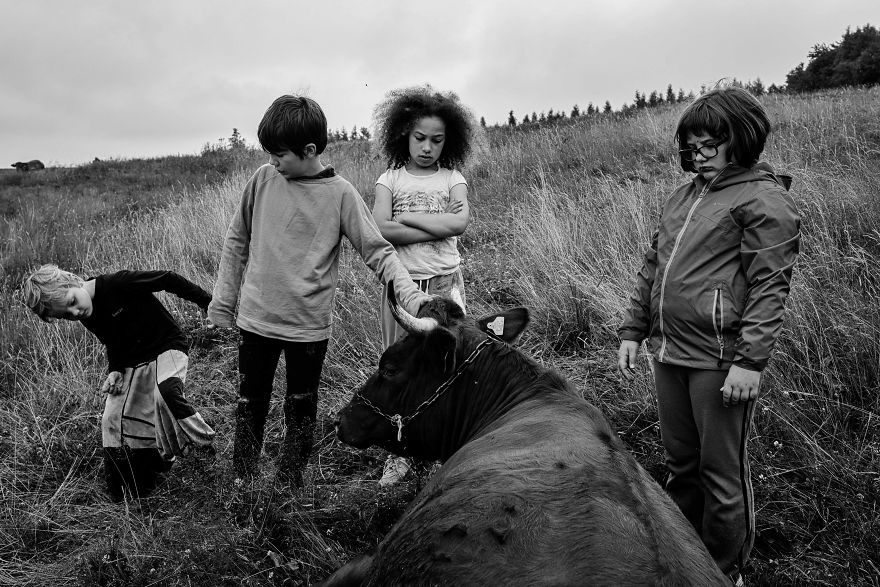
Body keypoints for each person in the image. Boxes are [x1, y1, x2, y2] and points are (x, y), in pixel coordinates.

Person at [617, 85, 800, 585]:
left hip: (720, 361)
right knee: (681, 465)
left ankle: (723, 572)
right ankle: (683, 560)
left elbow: (769, 287)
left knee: (722, 475)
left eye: (709, 146)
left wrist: (749, 362)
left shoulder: (764, 200)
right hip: (670, 353)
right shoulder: (683, 196)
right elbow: (652, 266)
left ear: (741, 139)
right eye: (690, 148)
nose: (698, 157)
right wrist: (634, 330)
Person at [208, 95, 431, 488]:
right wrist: (222, 304)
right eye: (270, 154)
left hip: (307, 330)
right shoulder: (262, 180)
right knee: (250, 405)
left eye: (280, 155)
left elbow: (378, 252)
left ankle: (289, 485)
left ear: (309, 150)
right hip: (256, 321)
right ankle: (242, 482)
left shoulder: (341, 194)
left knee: (300, 408)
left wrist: (412, 297)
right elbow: (236, 240)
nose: (274, 162)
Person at [22, 265, 216, 501]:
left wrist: (209, 303)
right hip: (132, 363)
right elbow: (112, 340)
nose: (75, 312)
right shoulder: (86, 312)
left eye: (72, 301)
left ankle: (203, 445)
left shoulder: (118, 283)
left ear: (73, 280)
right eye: (66, 315)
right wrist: (114, 371)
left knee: (165, 394)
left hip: (167, 347)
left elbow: (168, 278)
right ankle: (127, 489)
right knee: (111, 419)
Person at [370, 85, 479, 486]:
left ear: (449, 140)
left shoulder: (453, 178)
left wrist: (408, 219)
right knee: (399, 366)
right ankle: (398, 452)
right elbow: (380, 228)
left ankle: (441, 445)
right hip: (403, 285)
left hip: (446, 283)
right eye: (420, 138)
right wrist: (432, 222)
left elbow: (459, 224)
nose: (427, 147)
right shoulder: (390, 179)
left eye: (437, 140)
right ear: (403, 135)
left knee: (445, 363)